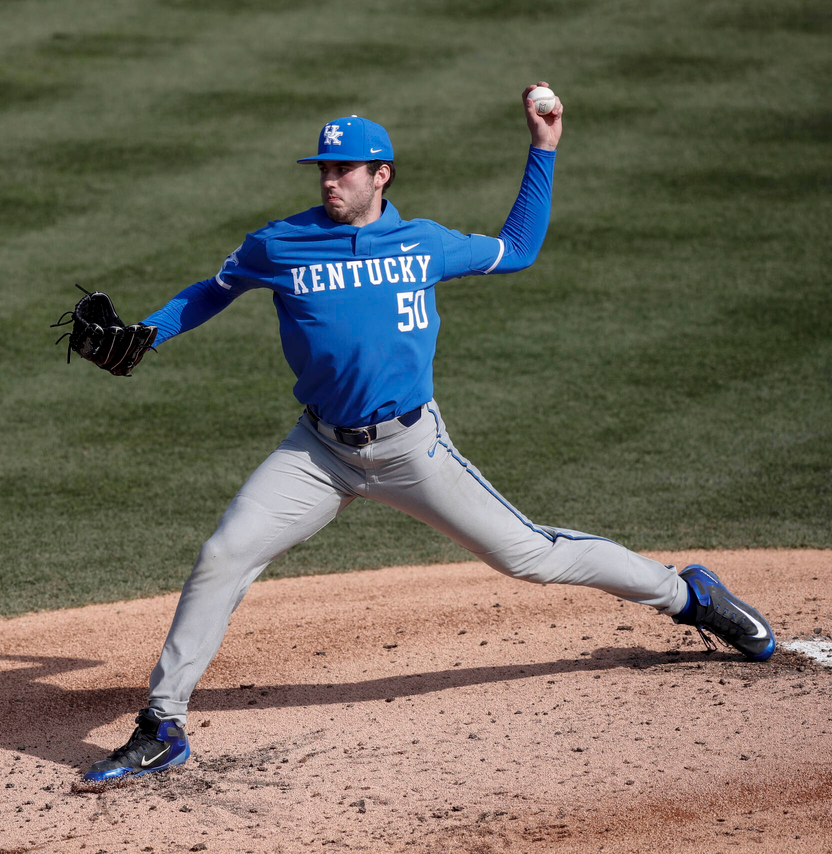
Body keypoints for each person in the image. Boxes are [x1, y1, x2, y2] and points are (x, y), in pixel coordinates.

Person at [81, 83, 775, 783]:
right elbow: (212, 289)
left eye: (344, 170)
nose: (329, 180)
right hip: (319, 451)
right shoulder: (280, 243)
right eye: (323, 169)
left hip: (412, 447)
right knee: (223, 555)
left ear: (381, 175)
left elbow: (518, 248)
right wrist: (151, 333)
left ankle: (689, 595)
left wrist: (543, 149)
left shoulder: (423, 243)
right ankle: (163, 723)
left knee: (531, 557)